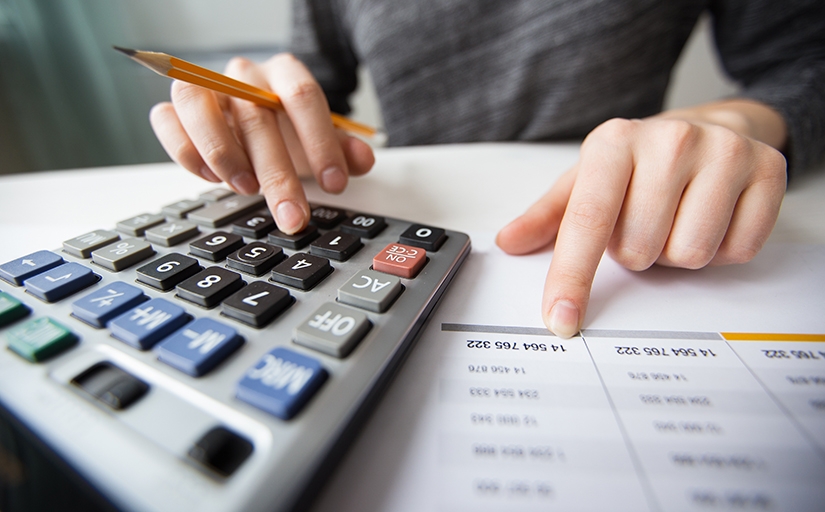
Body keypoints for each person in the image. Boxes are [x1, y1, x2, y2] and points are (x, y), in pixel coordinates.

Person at [149, 0, 825, 338]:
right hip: (394, 216)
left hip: (623, 216)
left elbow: (802, 61)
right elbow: (315, 80)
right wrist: (266, 113)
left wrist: (737, 122)